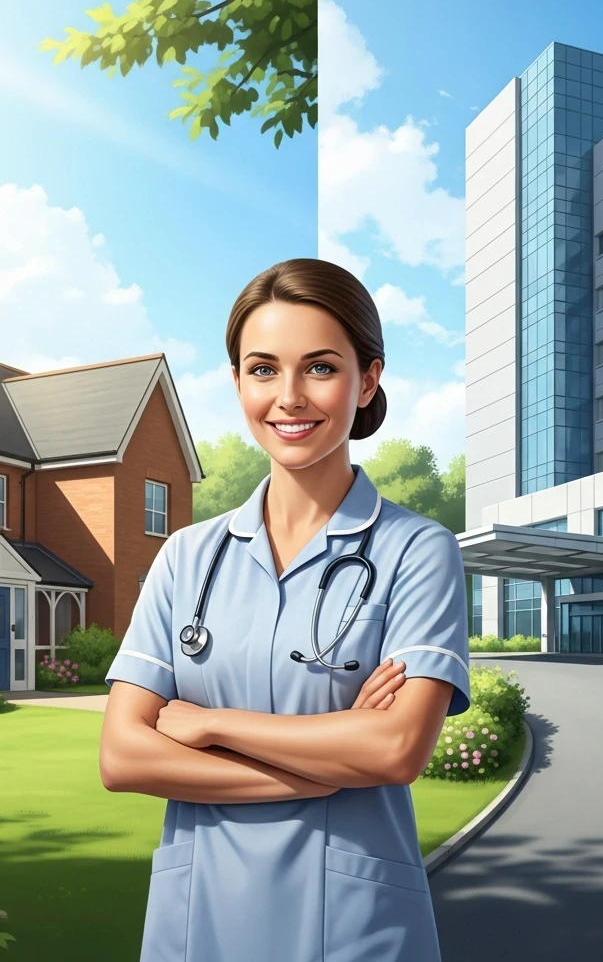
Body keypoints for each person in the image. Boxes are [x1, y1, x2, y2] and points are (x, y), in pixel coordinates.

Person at [99, 258, 471, 962]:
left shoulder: (417, 551)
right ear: (238, 381)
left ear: (368, 380)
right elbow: (122, 756)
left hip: (354, 924)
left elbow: (396, 749)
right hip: (197, 921)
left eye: (321, 368)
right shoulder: (186, 557)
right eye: (263, 369)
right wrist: (330, 762)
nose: (290, 397)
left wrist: (208, 725)